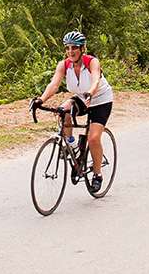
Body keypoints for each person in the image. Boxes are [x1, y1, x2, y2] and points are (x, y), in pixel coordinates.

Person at [33, 31, 113, 193]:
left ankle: (97, 174)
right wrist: (41, 100)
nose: (70, 51)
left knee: (93, 138)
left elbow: (96, 79)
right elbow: (54, 85)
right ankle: (73, 145)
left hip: (100, 100)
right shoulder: (64, 65)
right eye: (68, 48)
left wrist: (91, 92)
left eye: (74, 48)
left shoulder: (91, 62)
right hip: (82, 98)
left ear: (82, 49)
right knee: (64, 111)